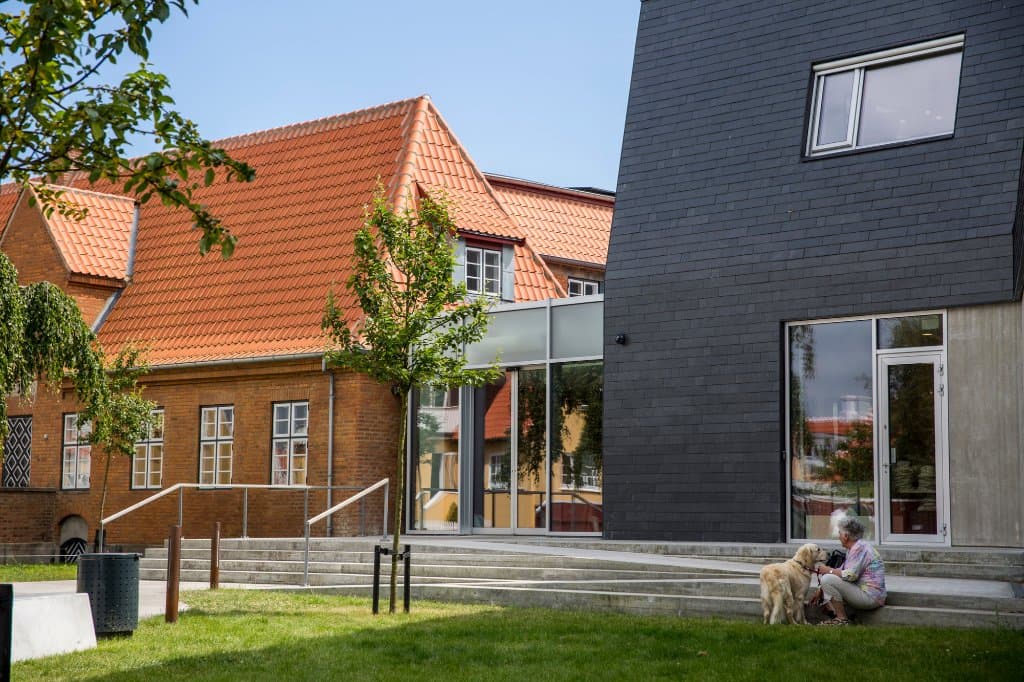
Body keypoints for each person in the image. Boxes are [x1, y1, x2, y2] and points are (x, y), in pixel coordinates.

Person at [814, 516, 886, 625]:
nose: (838, 536)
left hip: (870, 597)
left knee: (827, 579)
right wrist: (821, 588)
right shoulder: (855, 548)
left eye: (839, 533)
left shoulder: (859, 548)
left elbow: (850, 575)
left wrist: (828, 570)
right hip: (868, 593)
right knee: (827, 580)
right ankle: (842, 616)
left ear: (846, 536)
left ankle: (842, 619)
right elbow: (842, 571)